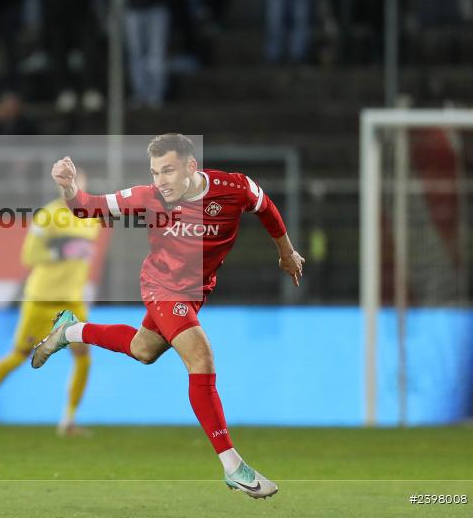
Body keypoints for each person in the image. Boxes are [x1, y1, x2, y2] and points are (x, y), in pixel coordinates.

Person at [32, 133, 305, 498]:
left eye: (168, 171)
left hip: (196, 292)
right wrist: (67, 188)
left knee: (143, 349)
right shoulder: (149, 197)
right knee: (201, 358)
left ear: (192, 167)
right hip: (162, 287)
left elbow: (266, 206)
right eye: (155, 172)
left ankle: (70, 330)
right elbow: (87, 208)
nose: (160, 180)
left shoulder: (234, 188)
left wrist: (286, 251)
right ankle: (233, 466)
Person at [0, 171, 101, 436]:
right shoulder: (48, 216)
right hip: (42, 300)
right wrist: (60, 250)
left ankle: (68, 421)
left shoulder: (93, 218)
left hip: (72, 302)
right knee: (19, 356)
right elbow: (28, 255)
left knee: (84, 358)